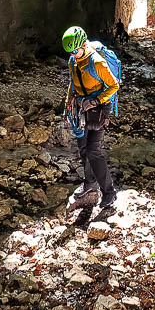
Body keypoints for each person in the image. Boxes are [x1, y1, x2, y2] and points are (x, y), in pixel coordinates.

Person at [62, 25, 119, 210]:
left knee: (93, 150)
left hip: (98, 108)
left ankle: (109, 192)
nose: (73, 55)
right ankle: (90, 183)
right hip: (80, 108)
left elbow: (114, 86)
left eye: (75, 51)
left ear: (84, 45)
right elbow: (72, 82)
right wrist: (68, 102)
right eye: (70, 52)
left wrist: (96, 101)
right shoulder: (73, 61)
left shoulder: (97, 62)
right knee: (83, 148)